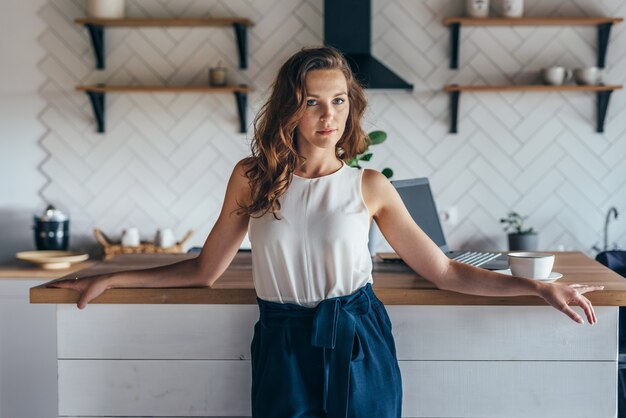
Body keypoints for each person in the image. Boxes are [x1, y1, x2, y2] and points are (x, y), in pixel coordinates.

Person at [49, 46, 604, 418]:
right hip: (282, 341)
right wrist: (114, 275)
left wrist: (537, 287)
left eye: (338, 101)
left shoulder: (369, 185)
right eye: (313, 101)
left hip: (359, 337)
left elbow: (443, 271)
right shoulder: (253, 178)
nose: (328, 115)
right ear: (291, 106)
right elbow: (203, 271)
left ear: (350, 106)